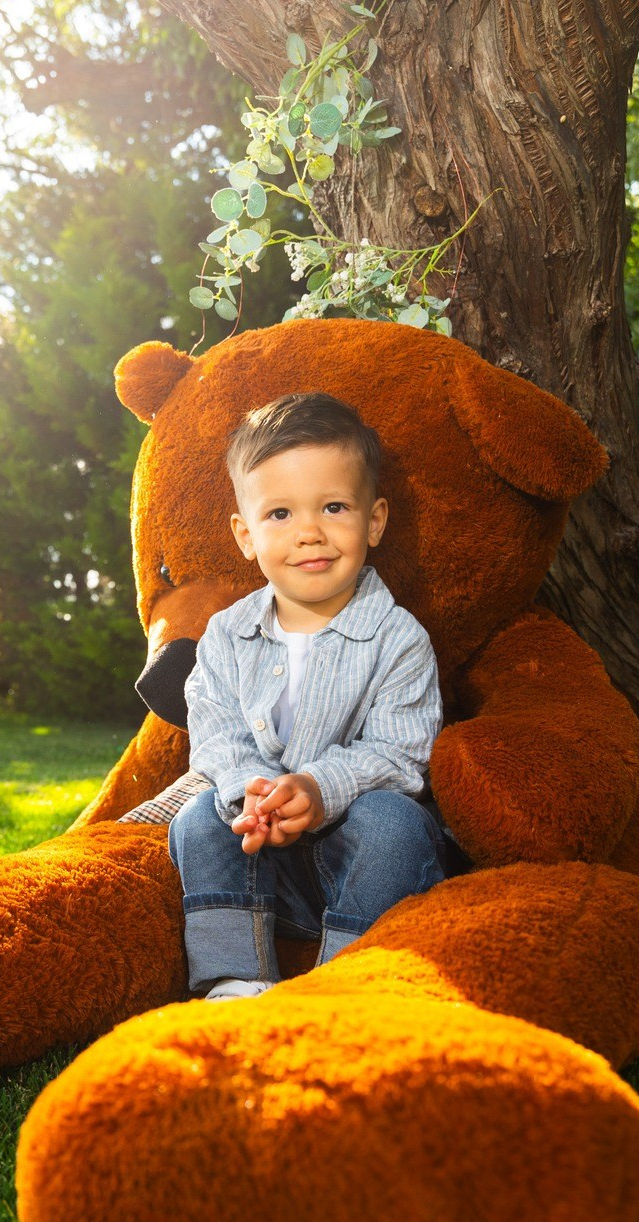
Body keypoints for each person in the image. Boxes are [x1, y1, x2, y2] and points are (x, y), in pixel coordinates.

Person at [169, 391, 449, 1000]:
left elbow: (402, 754)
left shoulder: (397, 638)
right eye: (280, 515)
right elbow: (215, 732)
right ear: (245, 534)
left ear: (374, 520)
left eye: (333, 506)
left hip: (360, 864)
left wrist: (321, 788)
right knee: (196, 818)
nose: (310, 533)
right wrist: (250, 790)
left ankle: (345, 978)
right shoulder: (226, 635)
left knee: (395, 822)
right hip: (266, 865)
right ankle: (235, 979)